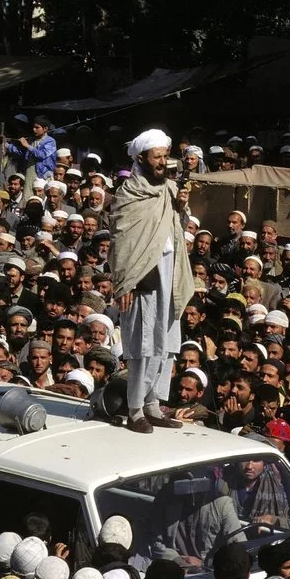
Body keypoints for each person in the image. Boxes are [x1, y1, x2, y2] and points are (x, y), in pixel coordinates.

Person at [110, 129, 195, 433]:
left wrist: (182, 207)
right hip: (141, 273)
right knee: (142, 343)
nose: (162, 162)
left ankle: (153, 405)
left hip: (170, 269)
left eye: (164, 156)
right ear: (142, 157)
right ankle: (135, 410)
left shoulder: (170, 188)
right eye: (156, 156)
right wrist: (125, 282)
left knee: (166, 342)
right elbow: (121, 241)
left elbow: (177, 227)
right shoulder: (128, 192)